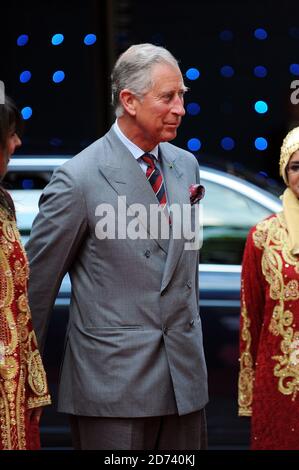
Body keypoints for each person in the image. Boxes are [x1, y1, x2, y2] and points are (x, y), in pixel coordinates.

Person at [26, 43, 208, 450]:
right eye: (168, 97)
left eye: (182, 96)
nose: (180, 108)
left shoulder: (186, 165)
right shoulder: (78, 178)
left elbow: (185, 270)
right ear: (128, 100)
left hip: (184, 382)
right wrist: (22, 380)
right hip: (111, 388)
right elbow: (35, 288)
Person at [238, 126, 299, 450]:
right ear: (284, 171)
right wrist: (249, 392)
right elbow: (251, 320)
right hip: (279, 384)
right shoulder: (262, 237)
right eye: (296, 166)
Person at [0, 95, 51, 450]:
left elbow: (19, 302)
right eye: (11, 134)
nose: (17, 143)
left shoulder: (4, 203)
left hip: (13, 382)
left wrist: (35, 381)